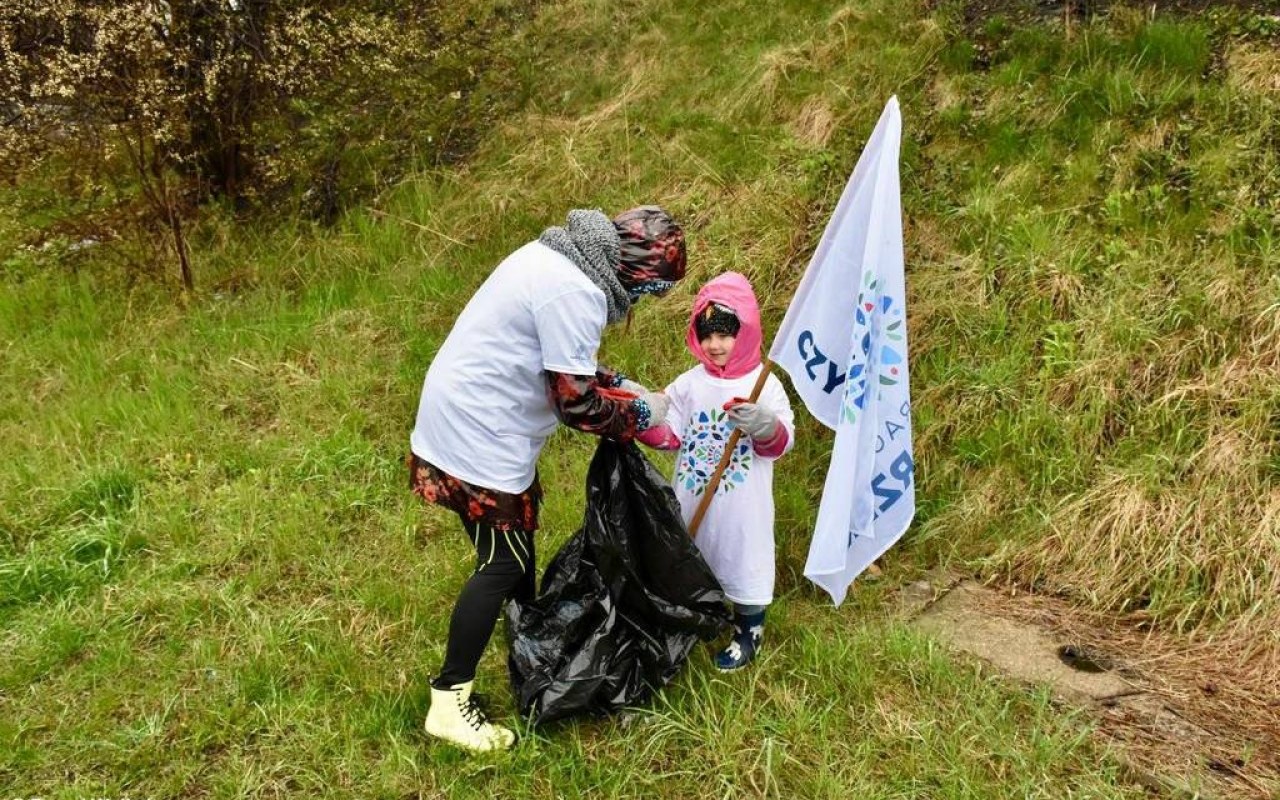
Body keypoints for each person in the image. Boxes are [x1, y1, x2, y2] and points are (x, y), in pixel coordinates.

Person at [408, 206, 686, 752]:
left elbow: (558, 361)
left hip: (471, 414)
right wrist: (639, 418)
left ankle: (529, 645)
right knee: (503, 561)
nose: (645, 302)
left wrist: (620, 384)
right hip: (478, 431)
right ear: (634, 270)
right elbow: (577, 405)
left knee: (514, 550)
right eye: (653, 290)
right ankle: (449, 698)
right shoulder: (577, 292)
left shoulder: (560, 258)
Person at [636, 272, 794, 672]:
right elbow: (670, 432)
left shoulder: (764, 384)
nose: (715, 344)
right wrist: (641, 417)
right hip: (693, 497)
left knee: (742, 558)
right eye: (706, 335)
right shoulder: (690, 384)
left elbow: (781, 441)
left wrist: (765, 425)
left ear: (745, 330)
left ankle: (748, 630)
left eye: (725, 334)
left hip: (743, 506)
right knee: (696, 556)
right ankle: (696, 619)